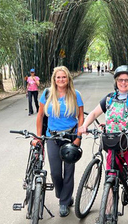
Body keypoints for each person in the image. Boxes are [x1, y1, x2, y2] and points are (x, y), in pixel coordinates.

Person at [79, 65, 128, 224]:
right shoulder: (109, 98)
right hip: (113, 145)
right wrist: (84, 125)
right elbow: (94, 113)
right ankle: (108, 212)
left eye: (126, 80)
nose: (123, 83)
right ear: (116, 81)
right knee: (110, 179)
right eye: (120, 80)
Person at [36, 66, 84, 217]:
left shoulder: (75, 94)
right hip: (52, 137)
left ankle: (64, 202)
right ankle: (63, 194)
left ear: (68, 78)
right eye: (58, 77)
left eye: (64, 77)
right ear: (54, 79)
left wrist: (78, 137)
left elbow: (81, 116)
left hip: (70, 137)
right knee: (56, 173)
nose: (61, 80)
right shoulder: (47, 93)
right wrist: (38, 137)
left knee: (69, 172)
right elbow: (40, 116)